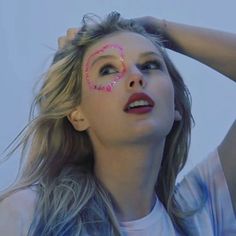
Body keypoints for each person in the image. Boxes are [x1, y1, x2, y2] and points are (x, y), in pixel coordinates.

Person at [0, 12, 235, 235]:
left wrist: (159, 28)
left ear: (176, 107)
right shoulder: (29, 214)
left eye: (150, 65)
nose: (136, 77)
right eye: (108, 69)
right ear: (77, 114)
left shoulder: (200, 214)